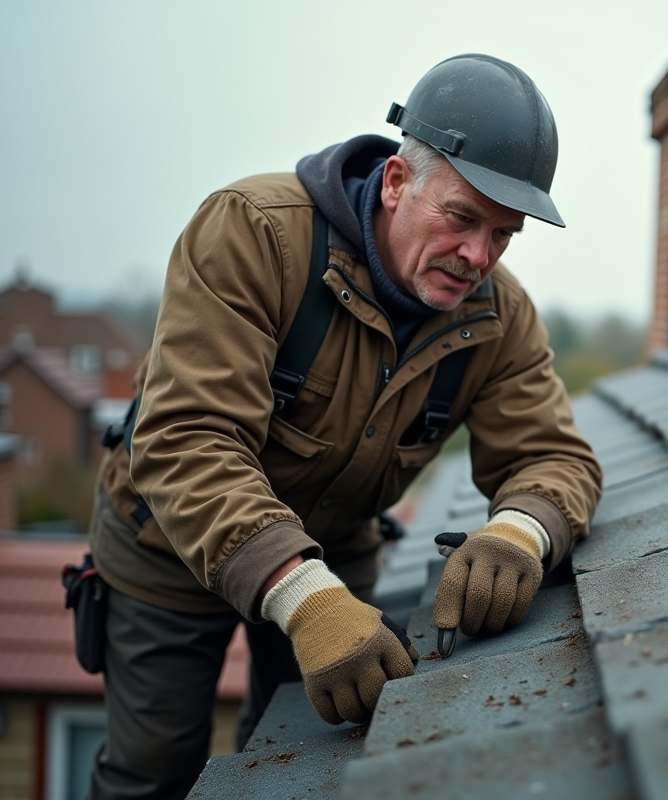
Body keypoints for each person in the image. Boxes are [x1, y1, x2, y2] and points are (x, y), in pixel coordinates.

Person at [85, 54, 602, 800]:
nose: (478, 257)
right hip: (166, 546)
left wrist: (522, 533)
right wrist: (304, 598)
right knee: (154, 770)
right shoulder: (255, 233)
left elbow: (554, 455)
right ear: (396, 183)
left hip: (337, 545)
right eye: (462, 218)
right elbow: (187, 438)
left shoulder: (499, 314)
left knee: (304, 767)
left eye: (503, 235)